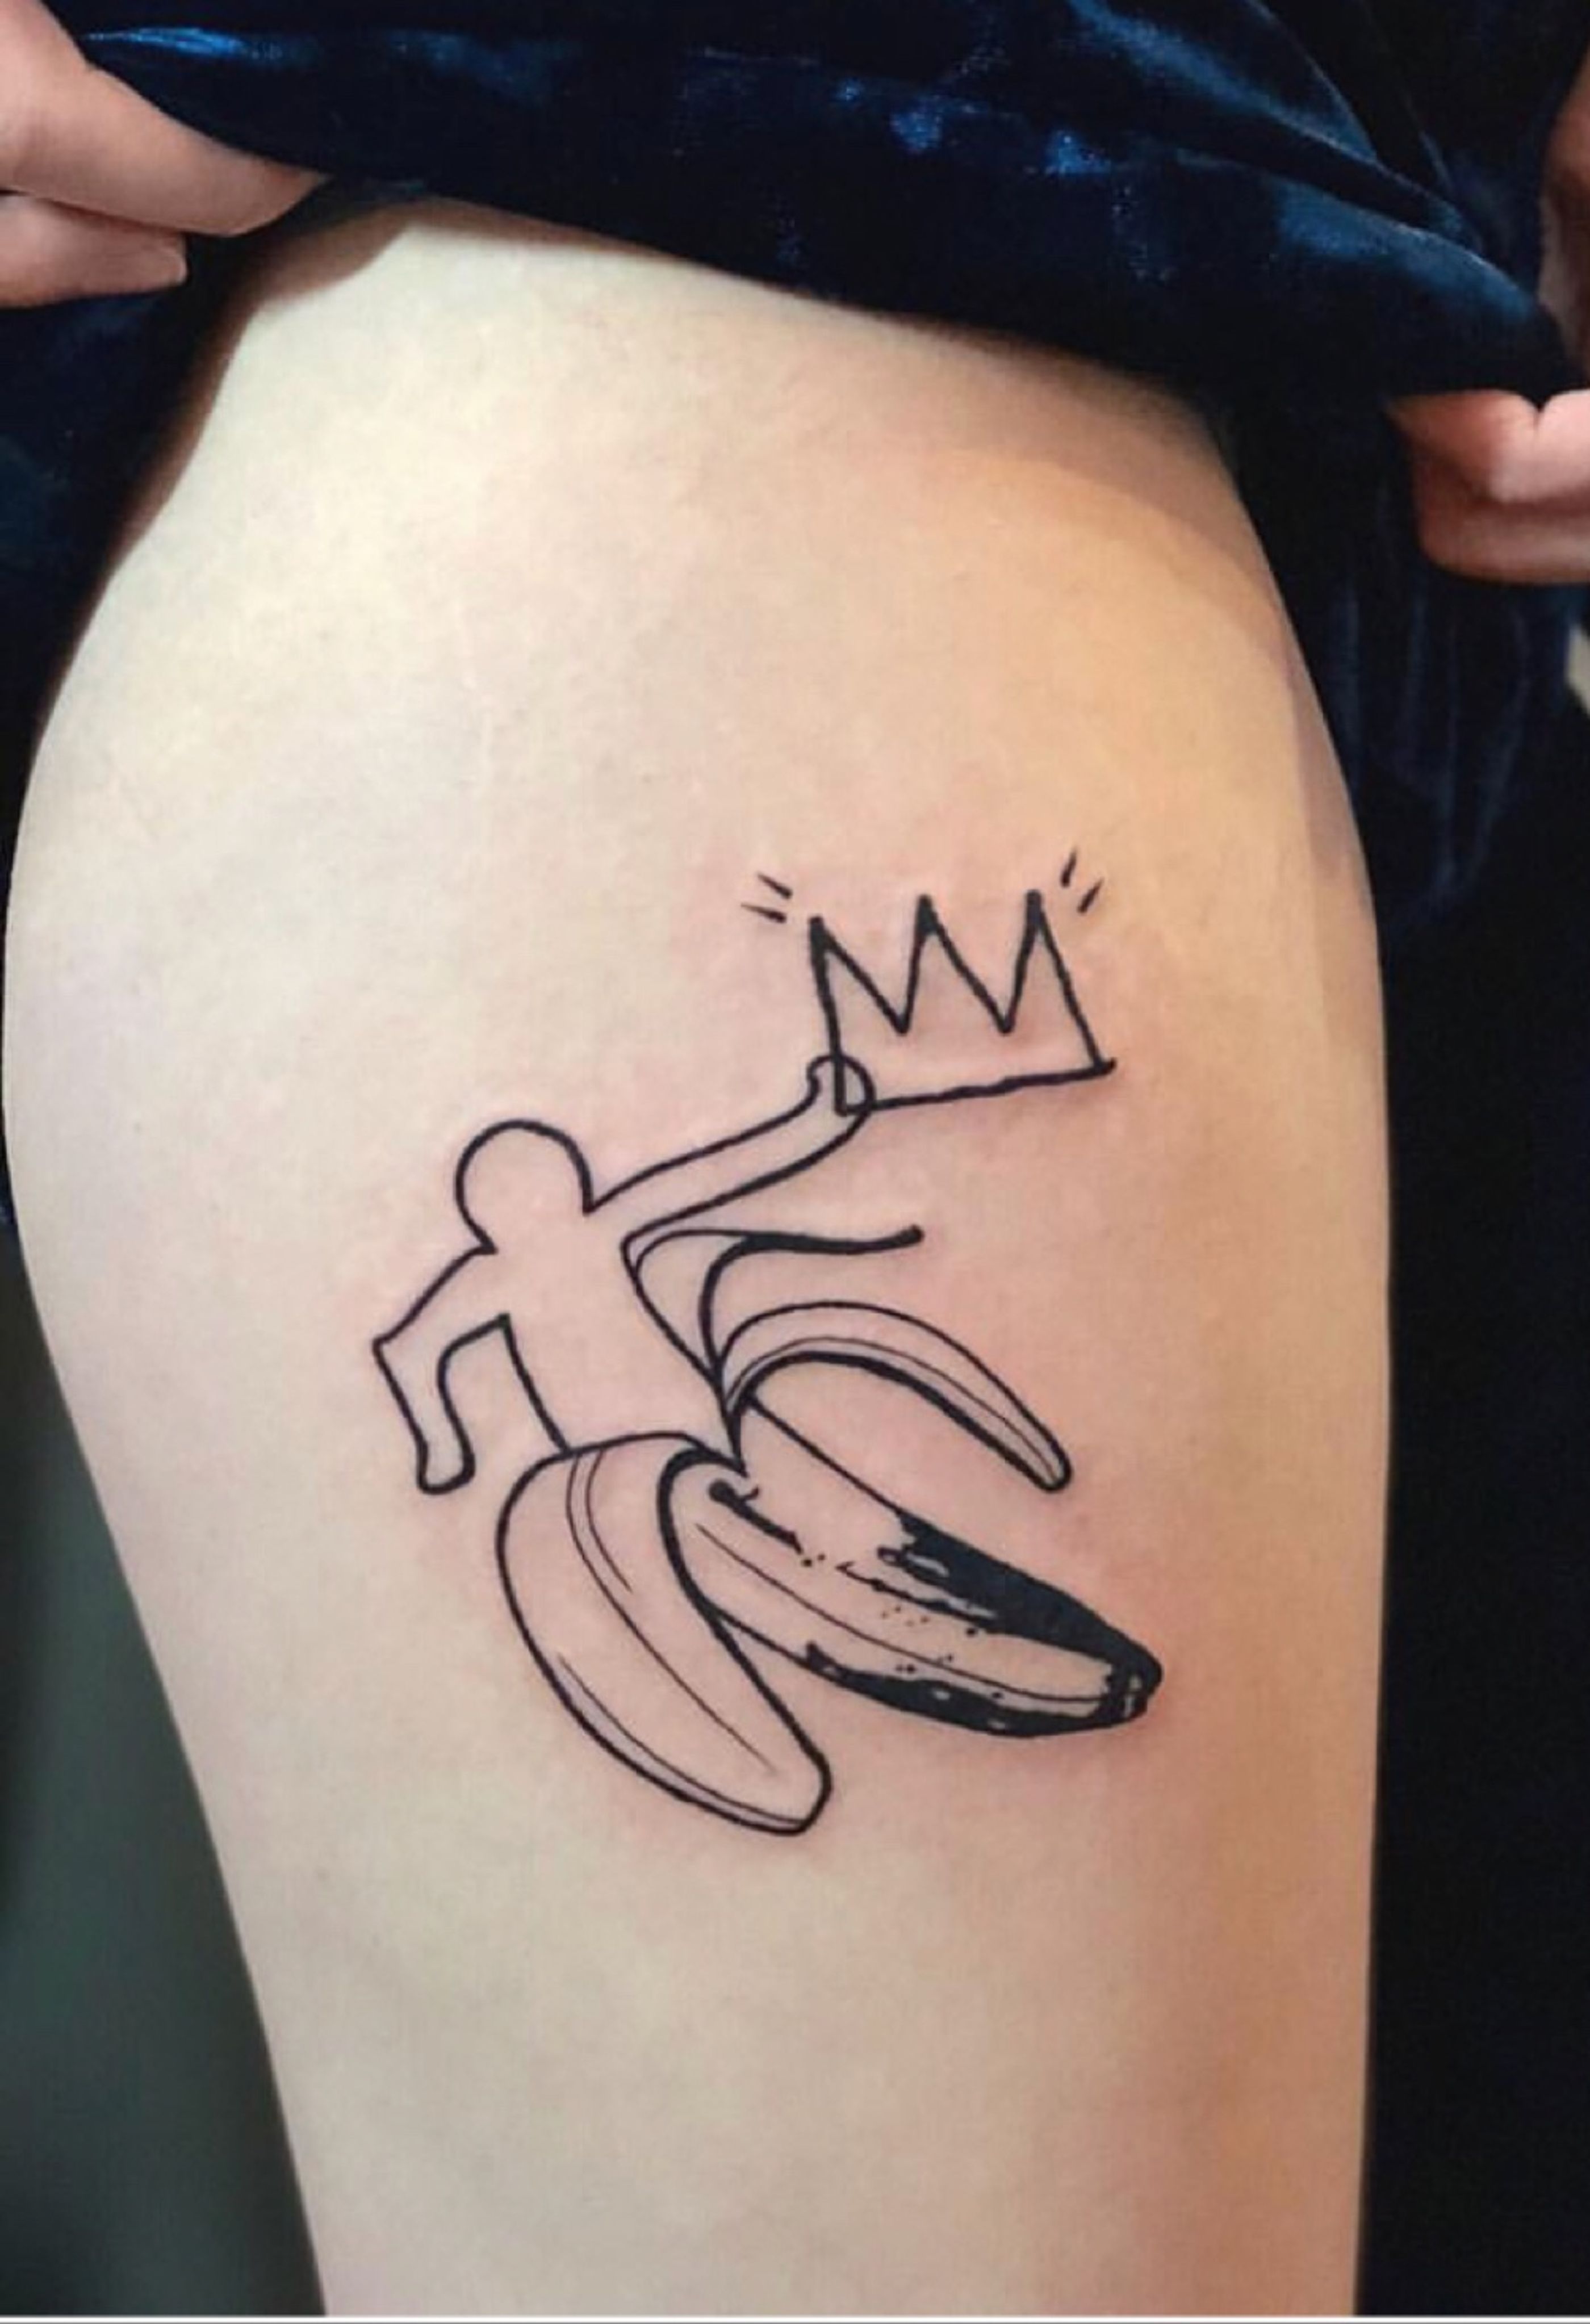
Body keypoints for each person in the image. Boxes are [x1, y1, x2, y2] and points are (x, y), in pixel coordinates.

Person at [2, 3, 1588, 2313]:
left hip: (1304, 353)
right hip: (710, 303)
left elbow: (698, 1214)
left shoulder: (566, 1206)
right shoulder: (631, 548)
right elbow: (540, 1299)